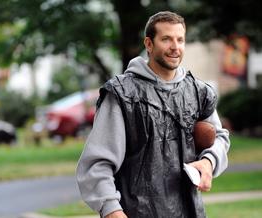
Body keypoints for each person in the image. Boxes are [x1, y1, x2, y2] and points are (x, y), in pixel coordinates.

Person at [76, 11, 230, 218]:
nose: (175, 47)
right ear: (149, 44)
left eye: (180, 40)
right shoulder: (123, 93)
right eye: (166, 39)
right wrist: (111, 209)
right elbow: (97, 162)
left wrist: (209, 161)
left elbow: (220, 137)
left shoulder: (198, 92)